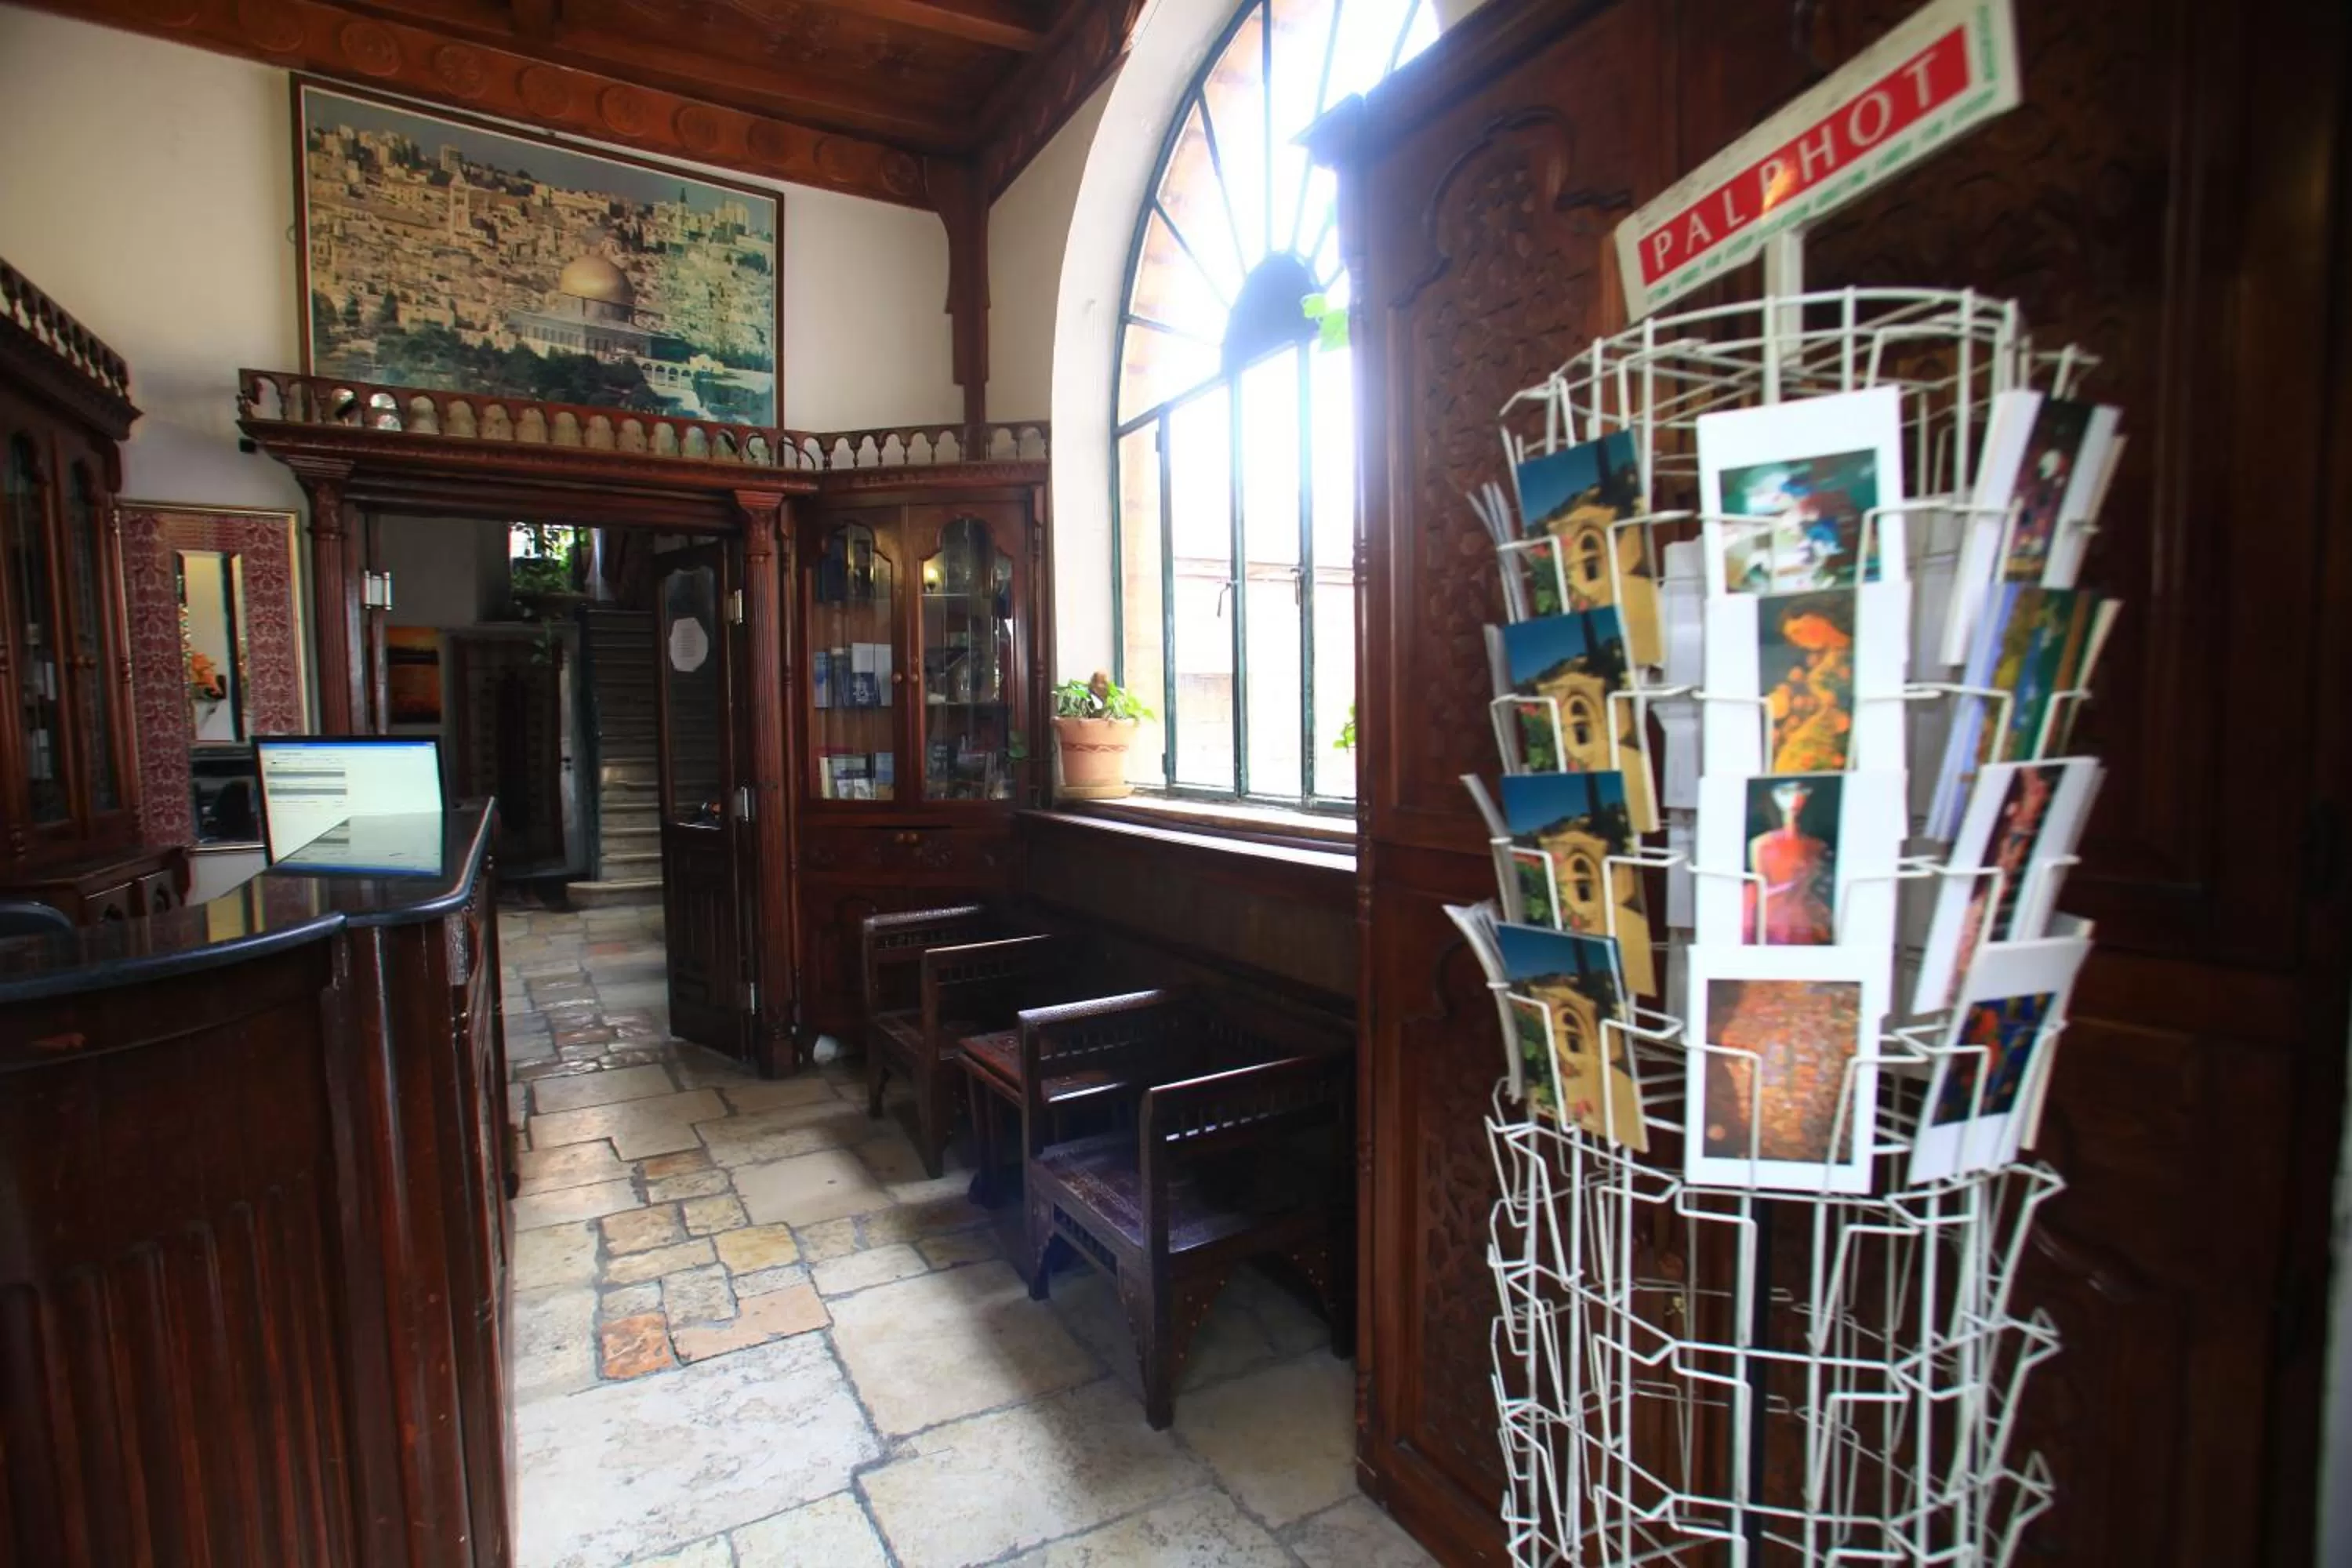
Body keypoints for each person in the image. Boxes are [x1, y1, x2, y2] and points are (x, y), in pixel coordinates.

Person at [1744, 778, 1835, 944]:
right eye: (1785, 792)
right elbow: (1763, 889)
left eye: (1802, 790)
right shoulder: (1761, 845)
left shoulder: (1817, 846)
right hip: (1772, 918)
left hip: (1805, 918)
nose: (1795, 798)